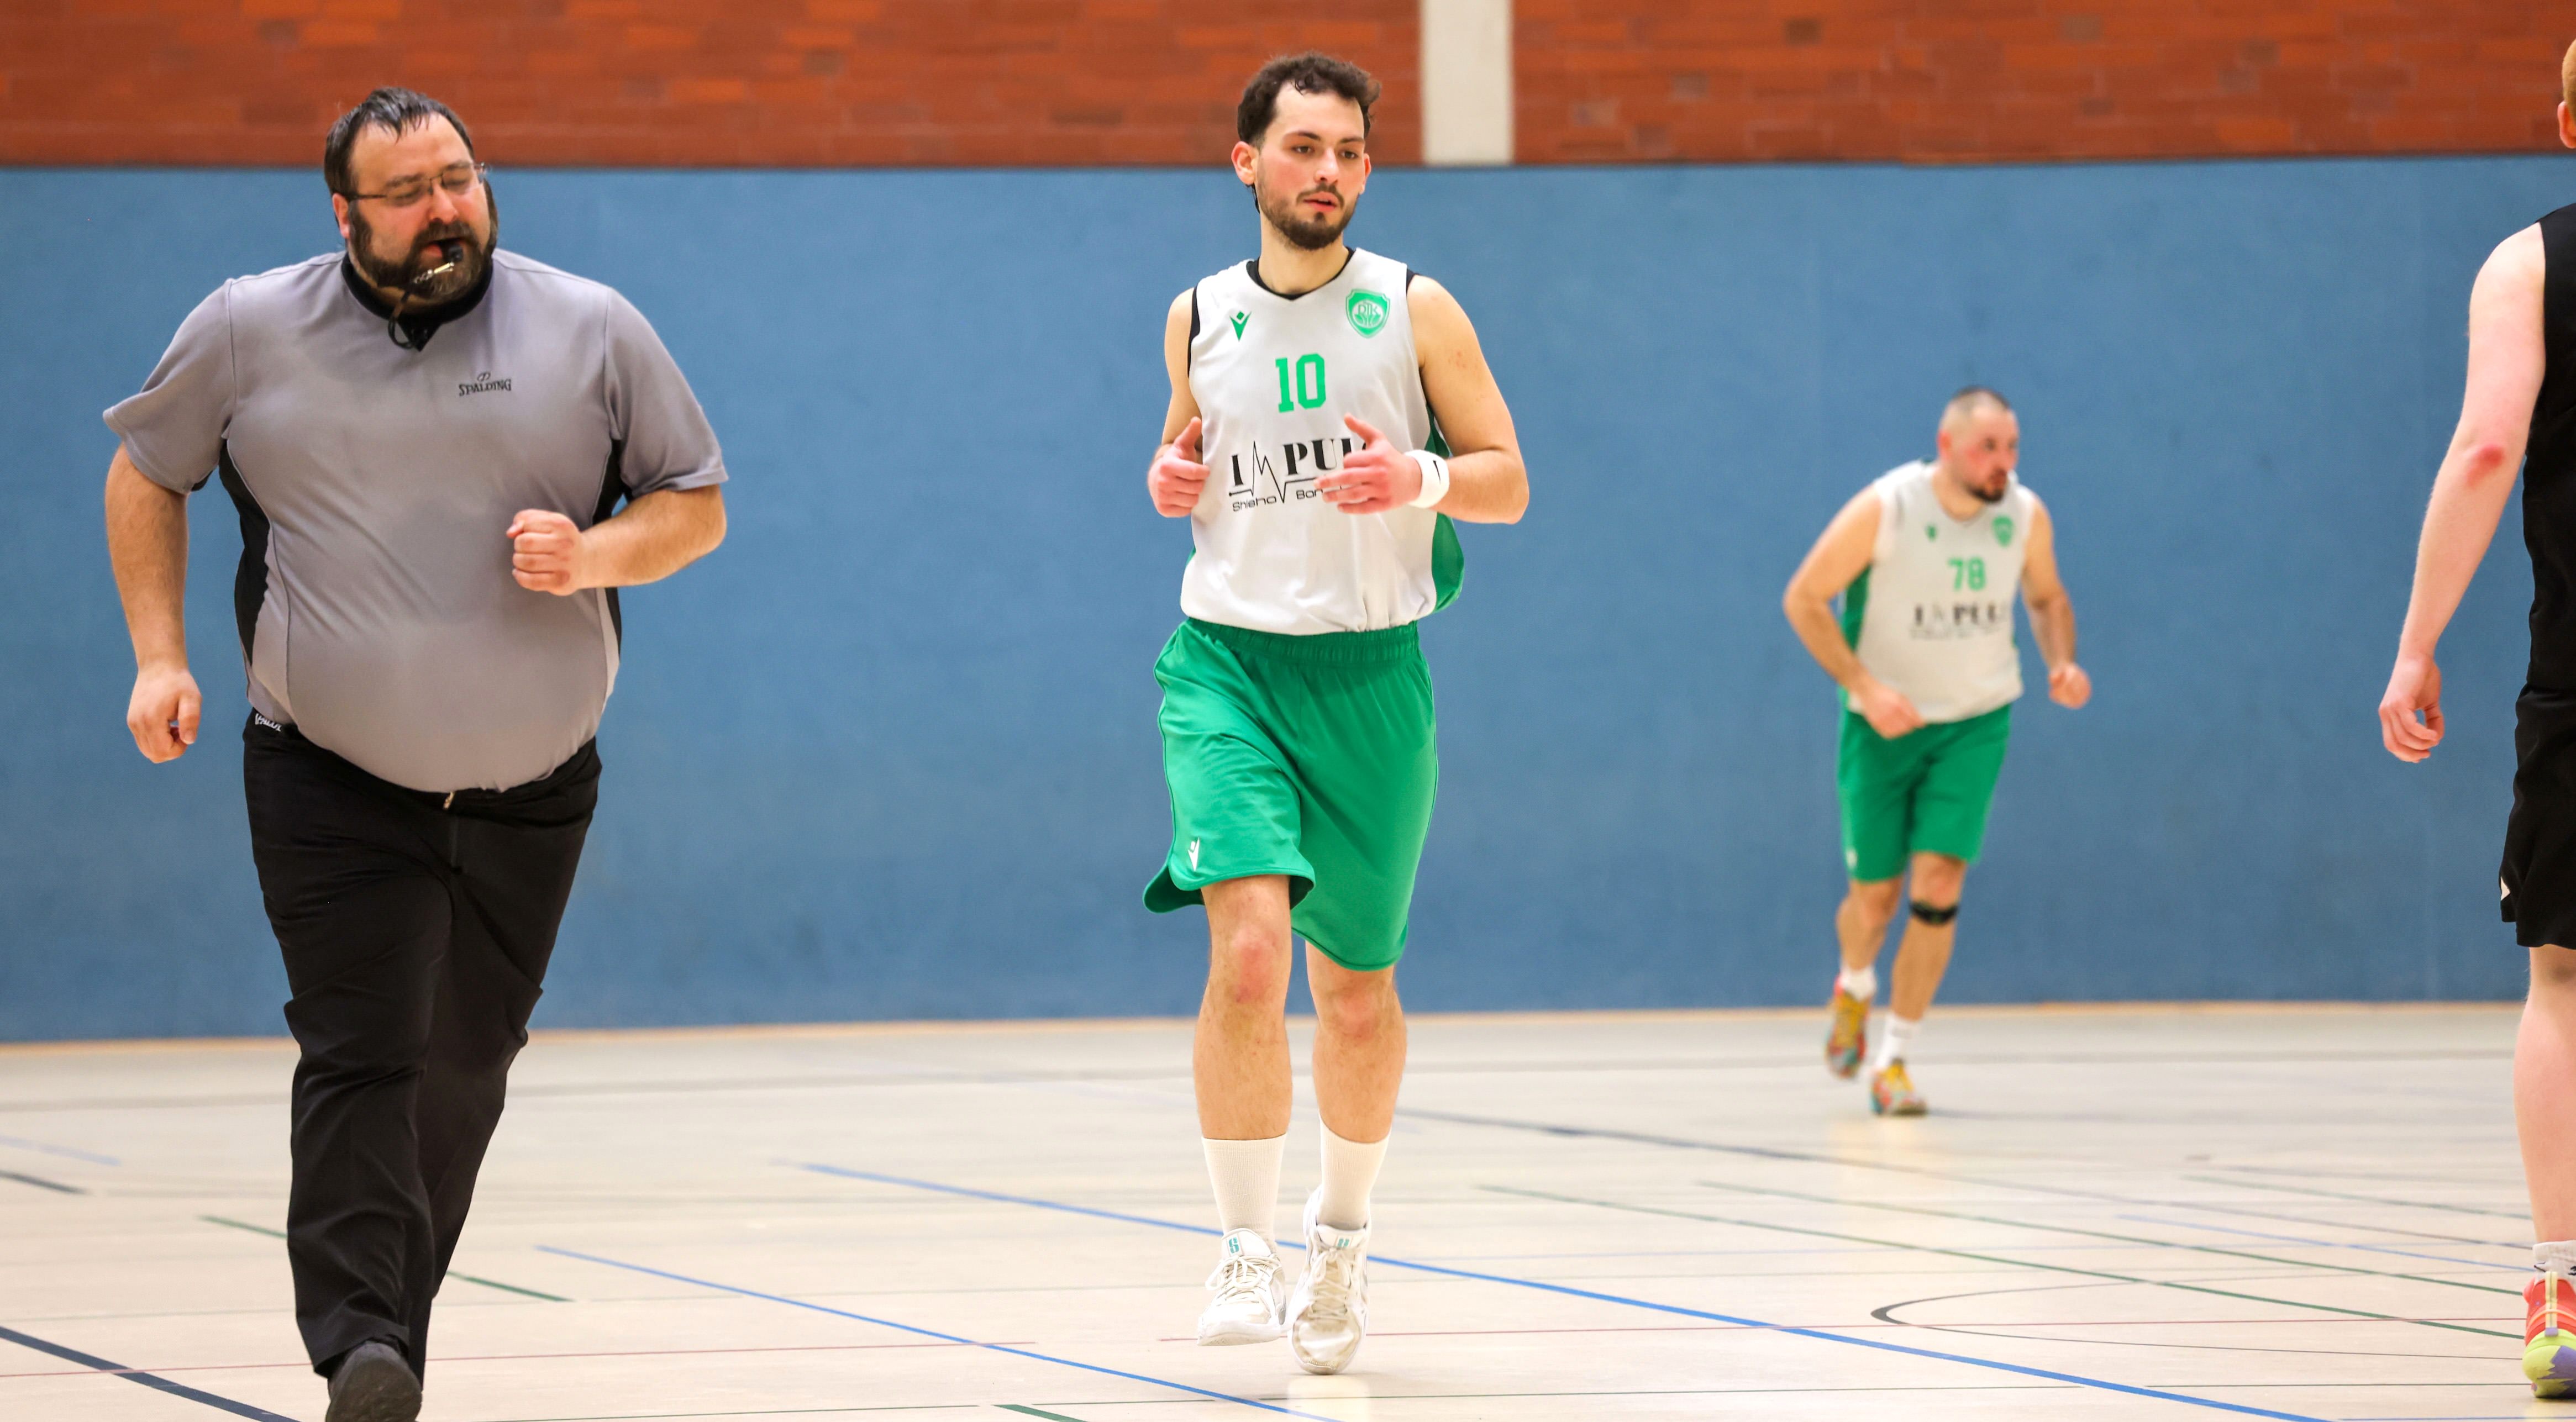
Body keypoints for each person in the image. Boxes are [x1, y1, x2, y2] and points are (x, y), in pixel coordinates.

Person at [100, 87, 727, 1422]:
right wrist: (160, 654)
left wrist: (596, 555)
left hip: (534, 792)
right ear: (346, 215)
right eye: (408, 193)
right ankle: (359, 1348)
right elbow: (149, 469)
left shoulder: (592, 327)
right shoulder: (247, 329)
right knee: (365, 1048)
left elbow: (696, 505)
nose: (445, 210)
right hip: (327, 773)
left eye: (459, 178)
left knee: (463, 1071)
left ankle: (388, 1340)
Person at [1139, 52, 1528, 1375]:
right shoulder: (1199, 313)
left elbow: (1508, 479)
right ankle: (1242, 1245)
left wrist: (1421, 477)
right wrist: (1166, 473)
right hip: (1228, 668)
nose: (1330, 171)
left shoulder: (1415, 308)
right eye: (1305, 147)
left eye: (1350, 150)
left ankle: (1341, 1240)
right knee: (1249, 953)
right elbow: (1188, 454)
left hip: (1370, 681)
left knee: (1355, 995)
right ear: (1247, 161)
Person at [2378, 41, 2576, 1400]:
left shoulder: (2528, 266)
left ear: (2565, 120)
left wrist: (2417, 642)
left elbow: (2488, 448)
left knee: (2563, 978)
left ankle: (2560, 1288)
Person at [1781, 388, 2088, 1115]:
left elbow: (2047, 598)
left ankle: (1894, 1059)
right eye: (1988, 448)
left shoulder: (2024, 515)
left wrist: (2061, 662)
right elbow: (1804, 599)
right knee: (1874, 901)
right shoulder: (1888, 508)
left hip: (1974, 721)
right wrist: (1864, 686)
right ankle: (1854, 984)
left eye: (2011, 447)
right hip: (1884, 725)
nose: (2002, 463)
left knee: (1941, 883)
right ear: (1946, 446)